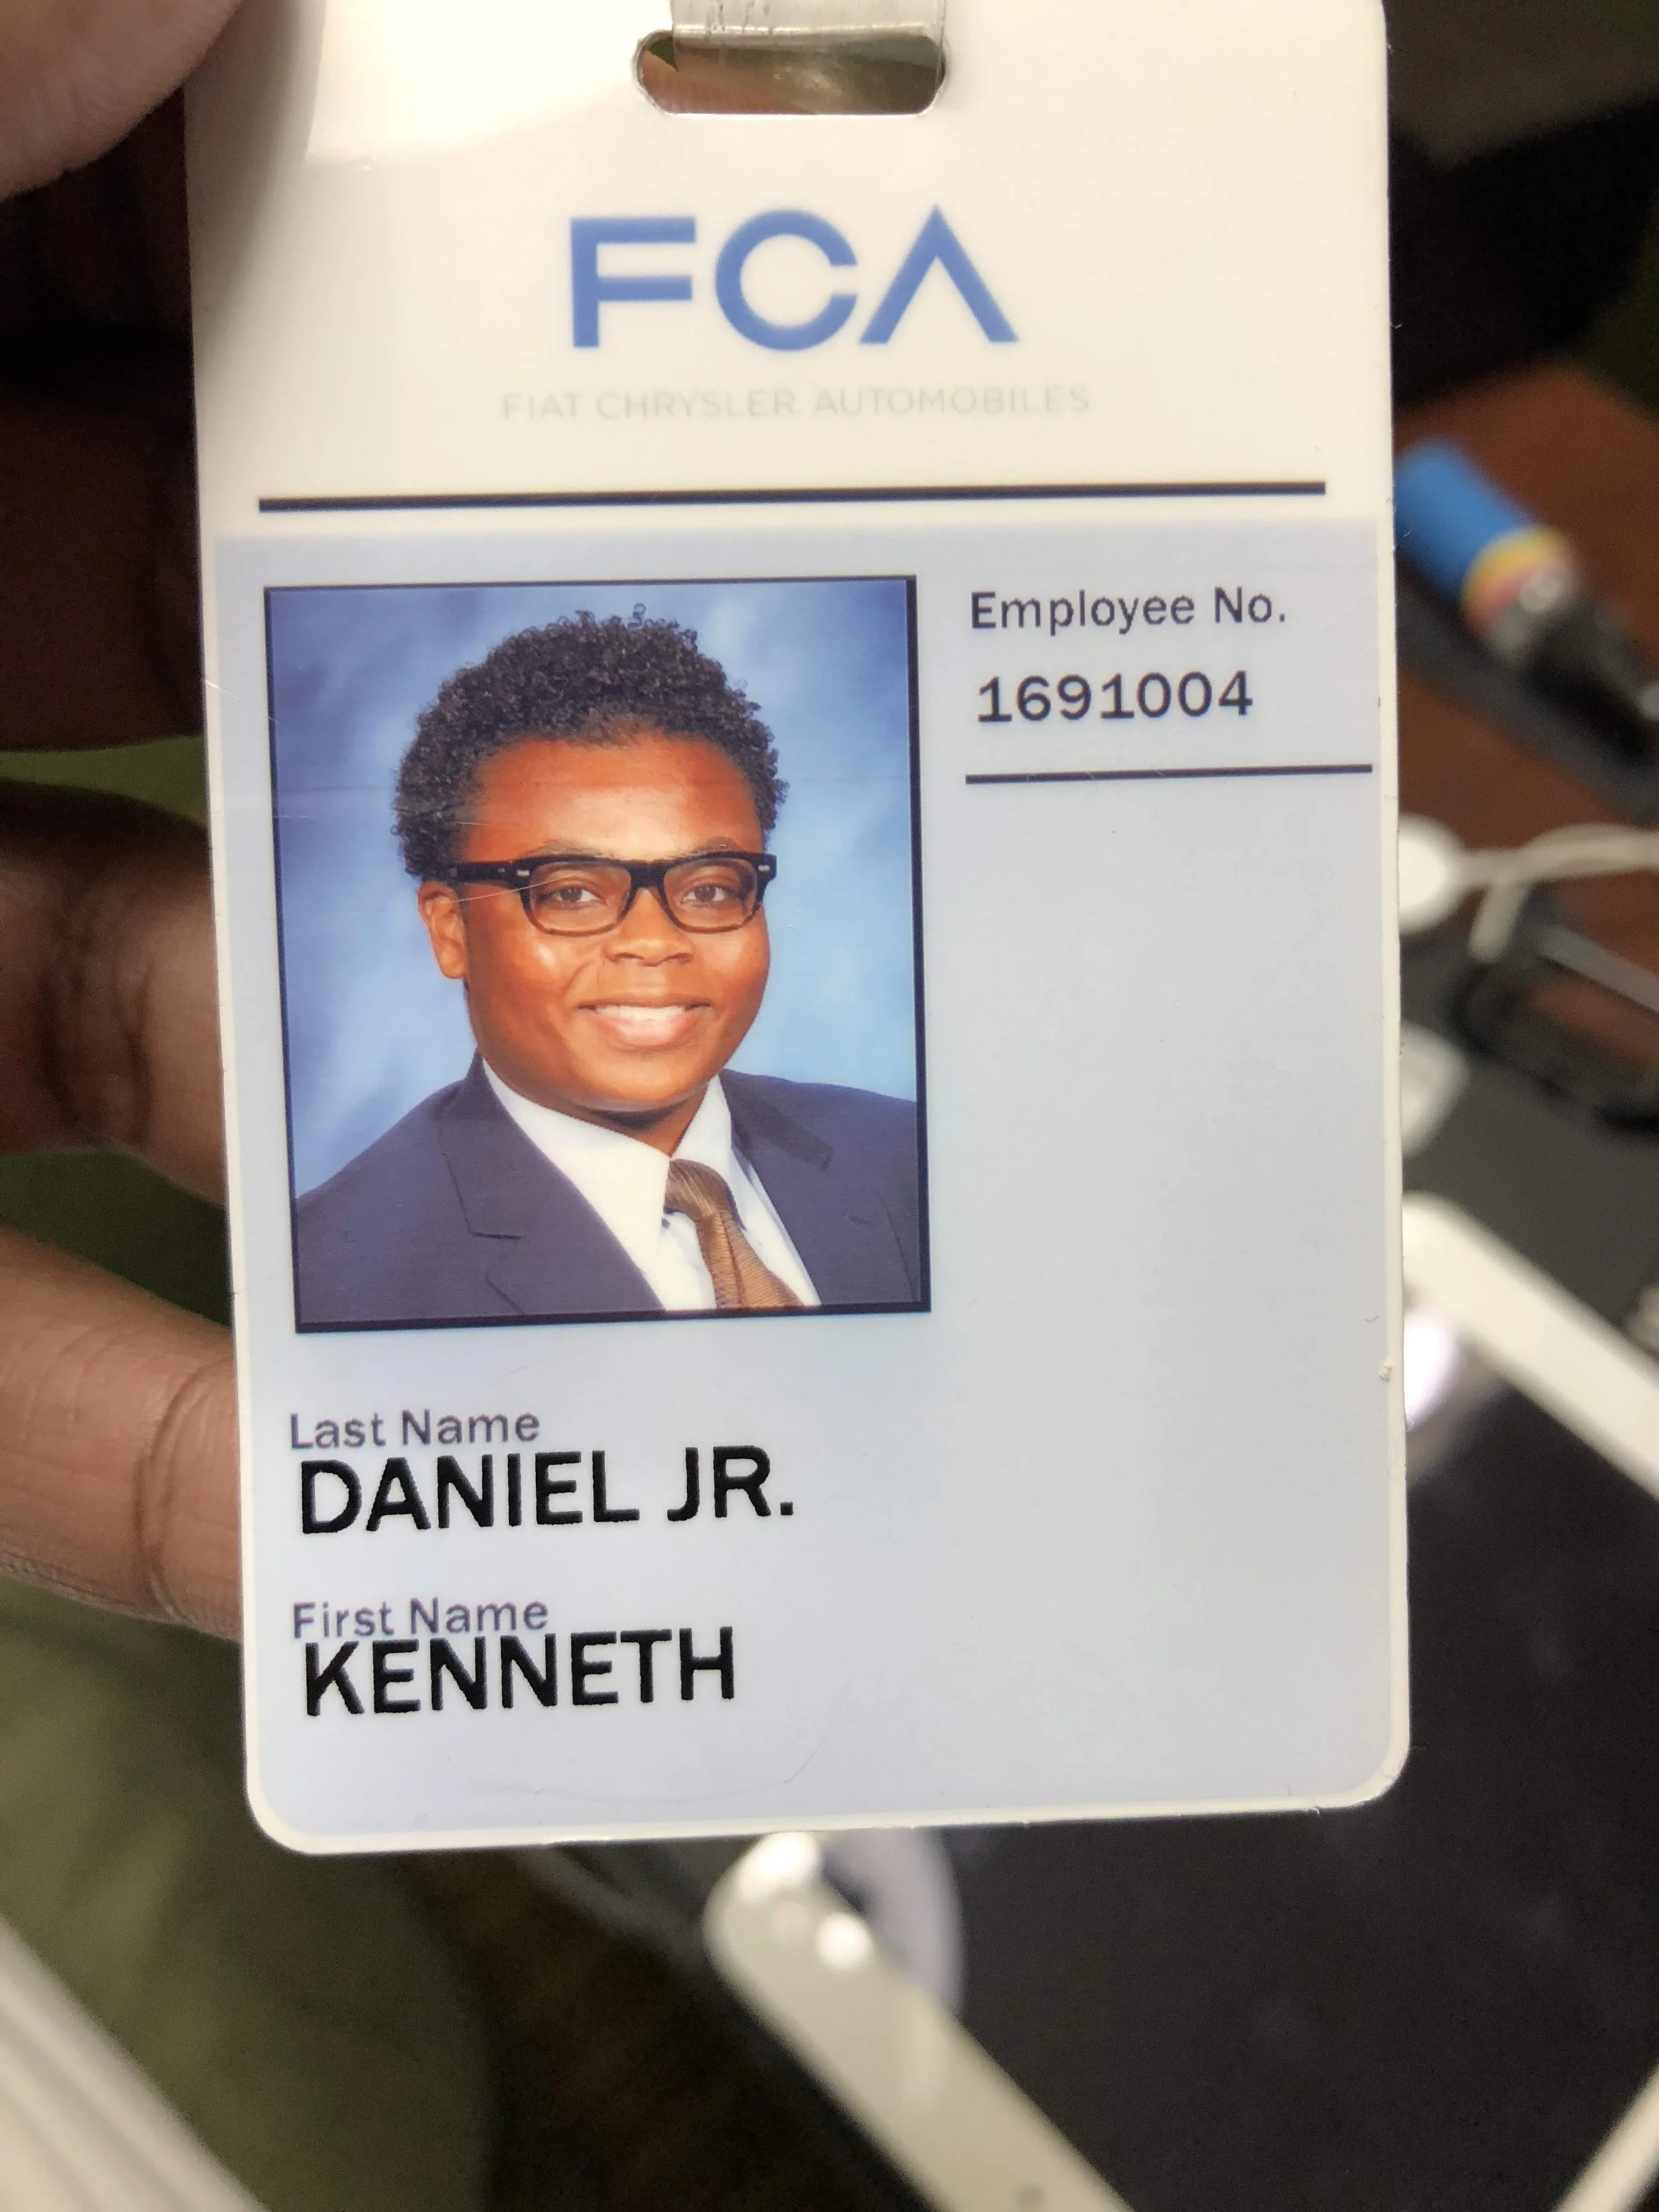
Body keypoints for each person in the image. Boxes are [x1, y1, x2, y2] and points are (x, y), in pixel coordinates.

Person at [295, 612, 924, 1324]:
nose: (653, 942)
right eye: (570, 892)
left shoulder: (911, 1162)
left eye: (709, 888)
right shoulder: (333, 1276)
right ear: (451, 930)